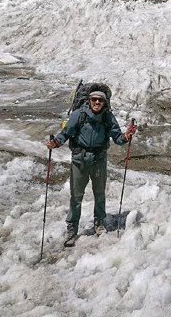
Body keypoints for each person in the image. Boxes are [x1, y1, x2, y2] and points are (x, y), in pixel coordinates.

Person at [46, 89, 135, 247]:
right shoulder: (78, 115)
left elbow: (117, 137)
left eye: (100, 100)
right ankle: (72, 230)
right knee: (76, 197)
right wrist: (55, 143)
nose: (97, 102)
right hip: (80, 160)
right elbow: (65, 133)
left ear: (104, 102)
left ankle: (99, 224)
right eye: (94, 99)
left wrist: (126, 137)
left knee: (99, 194)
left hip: (99, 160)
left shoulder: (107, 117)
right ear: (89, 100)